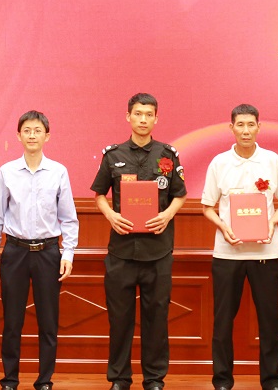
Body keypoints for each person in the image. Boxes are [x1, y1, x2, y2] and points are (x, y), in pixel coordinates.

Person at [90, 93, 187, 390]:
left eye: (148, 114)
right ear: (128, 117)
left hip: (158, 251)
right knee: (119, 320)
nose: (143, 119)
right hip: (121, 252)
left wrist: (167, 215)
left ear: (156, 118)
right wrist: (111, 215)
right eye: (138, 114)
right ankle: (119, 378)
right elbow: (99, 195)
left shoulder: (168, 155)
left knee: (156, 320)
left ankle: (154, 379)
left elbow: (180, 195)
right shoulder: (113, 155)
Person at [0, 110, 80, 390]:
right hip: (15, 252)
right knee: (12, 322)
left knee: (48, 322)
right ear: (18, 135)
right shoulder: (7, 171)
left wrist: (68, 253)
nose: (32, 135)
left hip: (49, 252)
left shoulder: (58, 171)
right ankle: (9, 380)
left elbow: (69, 218)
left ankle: (44, 381)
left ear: (47, 136)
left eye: (38, 130)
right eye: (26, 130)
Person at [201, 103, 278, 390]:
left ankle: (272, 381)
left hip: (265, 253)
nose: (246, 130)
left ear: (258, 127)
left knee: (269, 321)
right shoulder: (219, 163)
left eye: (251, 124)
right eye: (240, 125)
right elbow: (207, 207)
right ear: (231, 128)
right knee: (223, 321)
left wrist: (271, 223)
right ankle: (222, 381)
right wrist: (223, 227)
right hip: (227, 254)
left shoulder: (272, 160)